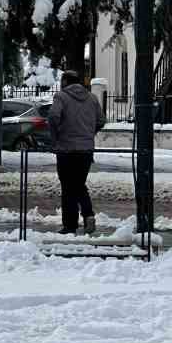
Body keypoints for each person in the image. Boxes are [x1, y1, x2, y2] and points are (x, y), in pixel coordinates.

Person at [48, 69, 105, 235]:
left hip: (66, 149)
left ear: (65, 82)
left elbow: (53, 117)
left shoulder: (61, 97)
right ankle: (88, 214)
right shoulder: (92, 98)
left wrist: (55, 138)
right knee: (79, 184)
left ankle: (70, 225)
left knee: (68, 187)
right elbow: (101, 120)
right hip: (86, 150)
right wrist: (89, 134)